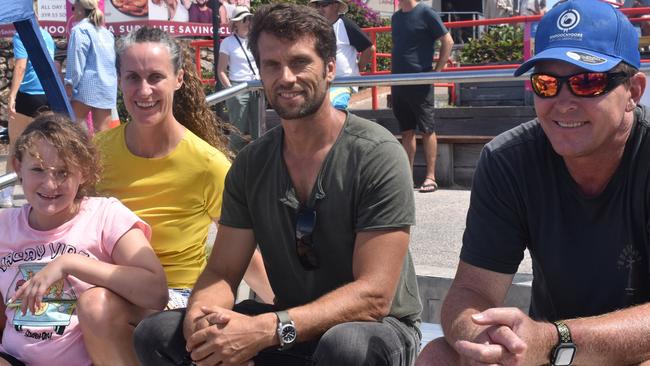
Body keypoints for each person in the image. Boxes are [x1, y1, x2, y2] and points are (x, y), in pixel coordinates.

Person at [133, 4, 422, 366]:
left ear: (330, 68)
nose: (285, 77)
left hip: (375, 327)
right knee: (158, 334)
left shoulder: (376, 154)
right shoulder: (251, 164)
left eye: (300, 62)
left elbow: (374, 296)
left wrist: (265, 330)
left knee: (346, 348)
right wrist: (201, 320)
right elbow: (223, 270)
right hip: (287, 322)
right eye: (272, 65)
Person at [416, 1, 650, 365]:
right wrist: (488, 341)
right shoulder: (509, 159)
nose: (562, 102)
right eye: (546, 84)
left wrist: (555, 340)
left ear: (633, 92)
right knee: (438, 356)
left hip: (617, 350)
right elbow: (471, 290)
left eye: (586, 82)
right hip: (552, 352)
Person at [89, 26, 273, 365]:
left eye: (155, 76)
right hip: (109, 286)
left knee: (96, 306)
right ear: (118, 80)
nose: (143, 90)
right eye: (132, 77)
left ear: (179, 79)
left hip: (176, 298)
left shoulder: (208, 165)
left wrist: (279, 313)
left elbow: (243, 250)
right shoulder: (96, 155)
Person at [0, 113, 167, 366]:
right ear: (17, 168)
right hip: (14, 358)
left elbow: (155, 292)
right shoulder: (5, 226)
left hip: (92, 359)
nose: (50, 183)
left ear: (84, 174)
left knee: (95, 304)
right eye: (38, 169)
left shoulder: (104, 215)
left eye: (63, 172)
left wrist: (70, 264)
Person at [391, 0, 453, 193]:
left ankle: (431, 177)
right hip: (398, 81)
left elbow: (447, 40)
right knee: (406, 130)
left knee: (427, 128)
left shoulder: (426, 12)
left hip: (420, 80)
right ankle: (407, 178)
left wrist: (437, 71)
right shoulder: (396, 17)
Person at [1, 28, 56, 208]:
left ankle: (7, 194)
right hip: (47, 95)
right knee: (47, 147)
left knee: (16, 145)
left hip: (28, 95)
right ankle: (46, 190)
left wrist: (12, 95)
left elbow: (21, 65)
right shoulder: (46, 35)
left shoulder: (21, 35)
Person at [309, 0, 375, 110]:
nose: (320, 8)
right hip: (323, 82)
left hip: (343, 81)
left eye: (324, 4)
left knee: (333, 105)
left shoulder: (345, 24)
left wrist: (357, 69)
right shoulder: (316, 28)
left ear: (335, 6)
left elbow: (369, 48)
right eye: (317, 5)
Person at [64, 0, 117, 133]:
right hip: (107, 86)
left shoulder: (79, 30)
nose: (73, 11)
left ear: (81, 9)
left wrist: (70, 83)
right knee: (103, 133)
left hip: (87, 85)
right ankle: (99, 154)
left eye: (73, 8)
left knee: (72, 127)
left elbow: (76, 61)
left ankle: (83, 153)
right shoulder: (107, 33)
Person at [217, 6, 260, 152]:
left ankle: (258, 161)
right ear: (235, 23)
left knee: (259, 130)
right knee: (238, 131)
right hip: (238, 88)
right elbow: (221, 70)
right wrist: (231, 91)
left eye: (250, 19)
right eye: (244, 19)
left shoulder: (256, 41)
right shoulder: (227, 43)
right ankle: (234, 163)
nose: (248, 22)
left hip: (257, 87)